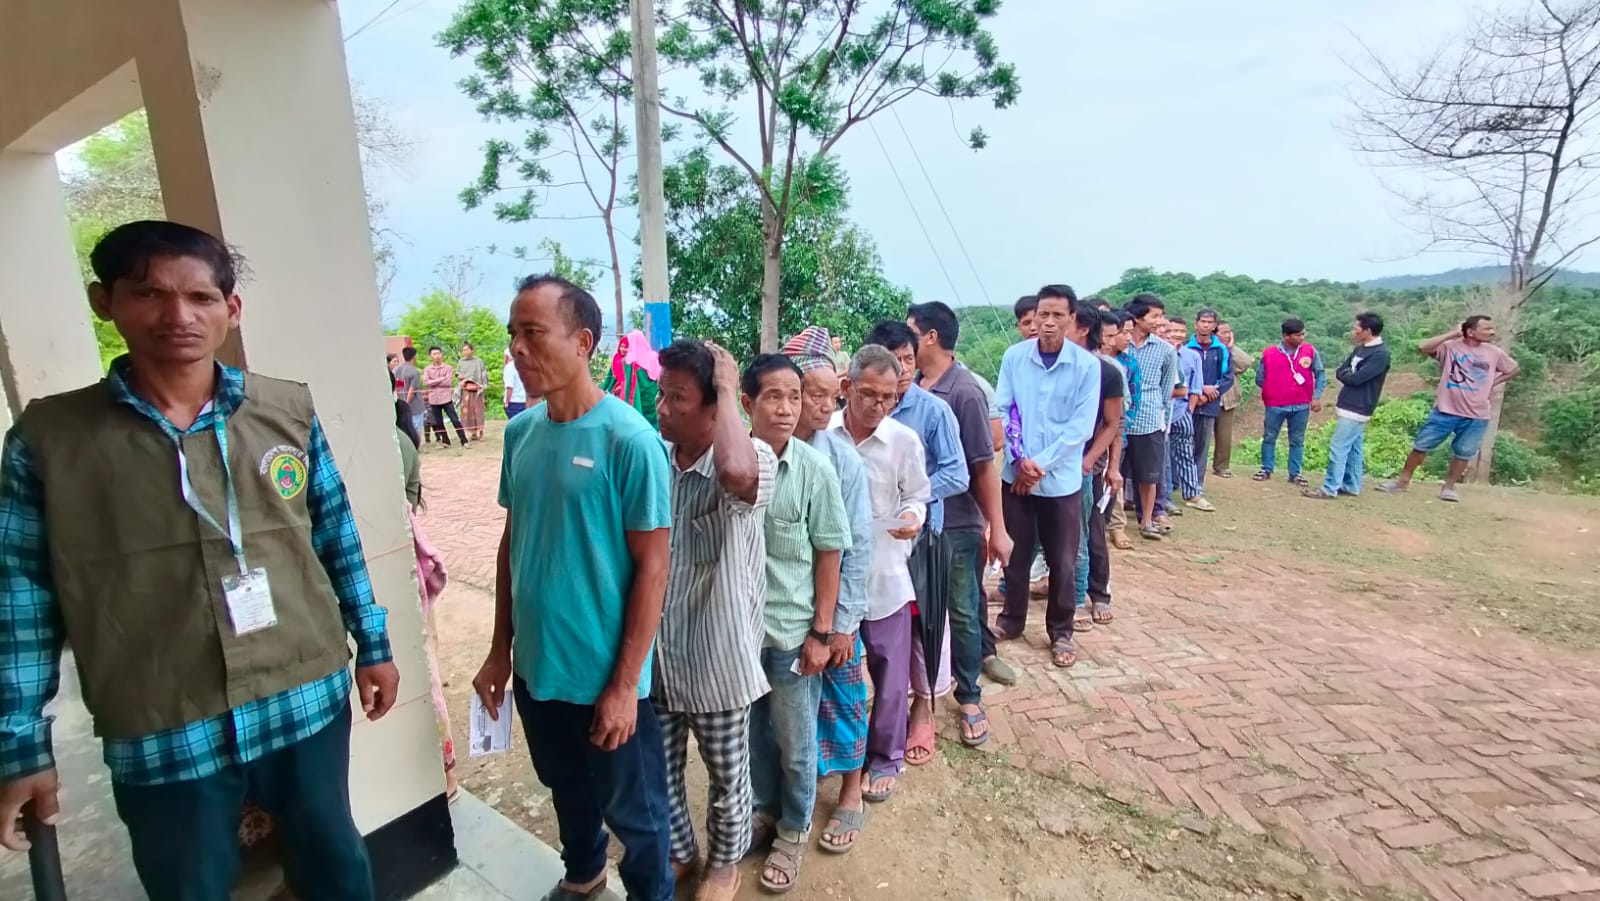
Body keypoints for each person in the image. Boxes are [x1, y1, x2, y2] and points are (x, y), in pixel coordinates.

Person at [0, 220, 399, 899]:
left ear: (230, 309)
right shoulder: (51, 440)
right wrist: (19, 740)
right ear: (107, 302)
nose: (178, 315)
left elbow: (334, 535)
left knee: (335, 868)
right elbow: (22, 601)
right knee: (188, 884)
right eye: (149, 293)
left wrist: (375, 640)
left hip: (302, 694)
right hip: (163, 719)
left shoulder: (285, 412)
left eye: (201, 297)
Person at [472, 275, 673, 901]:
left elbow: (653, 569)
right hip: (539, 669)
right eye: (513, 334)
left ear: (583, 341)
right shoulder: (520, 433)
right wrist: (500, 649)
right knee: (565, 785)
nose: (516, 349)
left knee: (636, 815)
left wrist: (621, 687)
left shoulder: (629, 440)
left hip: (605, 679)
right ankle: (584, 875)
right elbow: (515, 543)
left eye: (533, 333)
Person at [651, 340, 775, 900]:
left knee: (728, 779)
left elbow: (736, 473)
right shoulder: (653, 458)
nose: (663, 407)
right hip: (656, 659)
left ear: (712, 407)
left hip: (718, 658)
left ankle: (725, 865)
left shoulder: (753, 458)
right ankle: (681, 851)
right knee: (660, 770)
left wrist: (729, 388)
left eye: (679, 397)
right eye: (661, 394)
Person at [740, 354, 850, 893]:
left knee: (796, 741)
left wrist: (821, 634)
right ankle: (764, 812)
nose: (788, 408)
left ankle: (793, 827)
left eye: (795, 396)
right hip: (739, 636)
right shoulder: (730, 466)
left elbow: (829, 554)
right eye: (774, 397)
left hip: (791, 635)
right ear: (747, 404)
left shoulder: (815, 470)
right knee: (754, 736)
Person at [778, 327, 874, 856]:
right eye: (801, 393)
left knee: (845, 695)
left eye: (821, 394)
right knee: (795, 708)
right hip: (788, 608)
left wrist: (842, 623)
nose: (813, 404)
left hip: (833, 610)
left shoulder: (840, 459)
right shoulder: (771, 451)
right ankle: (795, 796)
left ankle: (851, 789)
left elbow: (856, 546)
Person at [906, 302, 1013, 750]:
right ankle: (922, 695)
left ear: (930, 336)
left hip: (959, 524)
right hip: (914, 526)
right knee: (919, 614)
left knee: (964, 612)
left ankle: (969, 697)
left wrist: (998, 527)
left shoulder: (964, 391)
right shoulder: (908, 386)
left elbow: (982, 466)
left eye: (912, 331)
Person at [862, 320, 966, 768]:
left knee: (924, 632)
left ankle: (923, 707)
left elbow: (957, 473)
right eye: (893, 361)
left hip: (920, 542)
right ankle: (884, 715)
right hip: (870, 549)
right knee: (887, 637)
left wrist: (909, 501)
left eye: (907, 360)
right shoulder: (850, 419)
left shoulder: (930, 413)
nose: (901, 370)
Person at [831, 346, 930, 807]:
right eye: (868, 393)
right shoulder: (822, 437)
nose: (877, 405)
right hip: (831, 582)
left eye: (888, 397)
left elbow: (917, 495)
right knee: (834, 676)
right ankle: (836, 755)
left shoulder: (904, 441)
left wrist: (911, 516)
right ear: (846, 388)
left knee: (889, 674)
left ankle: (886, 756)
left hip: (886, 575)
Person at [993, 284, 1101, 668]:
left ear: (1072, 319)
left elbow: (1080, 429)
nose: (1049, 322)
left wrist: (1039, 466)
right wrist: (1021, 461)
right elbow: (1003, 408)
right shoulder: (1014, 358)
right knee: (1015, 556)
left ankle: (1061, 631)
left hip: (1060, 483)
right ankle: (1011, 620)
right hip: (1017, 477)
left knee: (1063, 560)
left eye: (1057, 315)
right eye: (1043, 314)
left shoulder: (1087, 367)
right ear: (1033, 317)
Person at [393, 382, 458, 802]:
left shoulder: (392, 444)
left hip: (406, 574)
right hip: (411, 575)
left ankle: (445, 775)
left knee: (422, 673)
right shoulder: (399, 439)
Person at [1380, 315, 1519, 502]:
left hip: (1477, 414)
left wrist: (1494, 382)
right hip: (1445, 410)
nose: (1492, 332)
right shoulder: (1450, 348)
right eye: (1486, 329)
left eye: (1492, 328)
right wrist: (1454, 333)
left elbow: (1513, 369)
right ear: (1470, 331)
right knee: (1421, 446)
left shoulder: (1494, 353)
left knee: (1463, 452)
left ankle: (1449, 488)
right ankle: (1402, 481)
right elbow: (1423, 347)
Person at [1072, 306, 1125, 628]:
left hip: (1087, 465)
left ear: (1081, 328)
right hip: (1054, 465)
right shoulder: (1055, 368)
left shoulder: (1107, 371)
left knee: (1090, 531)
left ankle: (1098, 593)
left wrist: (1103, 463)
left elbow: (1115, 424)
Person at [1304, 312, 1391, 501]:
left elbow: (1357, 378)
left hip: (1358, 407)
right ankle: (1351, 485)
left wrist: (1348, 376)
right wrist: (1348, 376)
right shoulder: (1362, 349)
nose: (1354, 331)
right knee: (1353, 449)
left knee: (1338, 446)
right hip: (1349, 404)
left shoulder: (1380, 354)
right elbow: (1340, 371)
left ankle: (1330, 488)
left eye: (1357, 328)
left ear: (1368, 330)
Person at [1123, 294, 1179, 540]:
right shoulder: (1119, 346)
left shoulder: (1166, 351)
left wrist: (1162, 419)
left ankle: (1147, 520)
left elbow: (1166, 390)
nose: (1159, 321)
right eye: (1154, 316)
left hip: (1149, 420)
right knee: (1114, 474)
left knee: (1149, 475)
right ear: (1137, 318)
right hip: (1120, 419)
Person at [1253, 318, 1326, 486]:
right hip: (1275, 404)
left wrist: (1316, 396)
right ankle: (1266, 468)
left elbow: (1320, 373)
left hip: (1301, 404)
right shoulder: (1269, 353)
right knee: (1270, 437)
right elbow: (1260, 378)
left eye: (1303, 334)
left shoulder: (1309, 351)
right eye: (1298, 335)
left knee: (1297, 439)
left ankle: (1295, 473)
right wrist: (1274, 389)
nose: (1302, 337)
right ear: (1286, 336)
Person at [1164, 318, 1211, 514]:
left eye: (1181, 331)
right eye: (1173, 330)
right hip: (1161, 413)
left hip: (1182, 411)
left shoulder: (1192, 356)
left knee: (1186, 454)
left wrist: (1189, 411)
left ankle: (1193, 494)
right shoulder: (1161, 353)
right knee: (1162, 457)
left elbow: (1195, 388)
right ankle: (1164, 497)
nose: (1177, 334)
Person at [1105, 313, 1141, 550]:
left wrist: (1118, 425)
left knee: (1113, 476)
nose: (1128, 337)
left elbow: (1131, 401)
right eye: (1123, 333)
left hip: (1116, 431)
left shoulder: (1126, 364)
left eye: (1129, 332)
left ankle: (1116, 527)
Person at [1186, 309, 1234, 488]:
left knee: (1203, 445)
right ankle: (1178, 482)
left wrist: (1210, 393)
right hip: (1187, 403)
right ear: (1196, 323)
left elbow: (1228, 377)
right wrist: (1197, 390)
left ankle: (1196, 484)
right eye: (1202, 321)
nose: (1205, 325)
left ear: (1215, 326)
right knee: (1183, 443)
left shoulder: (1222, 350)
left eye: (1209, 322)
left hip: (1210, 404)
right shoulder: (1186, 346)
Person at [1211, 322, 1252, 478]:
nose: (1228, 335)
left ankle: (1221, 466)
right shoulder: (1209, 349)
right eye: (1224, 332)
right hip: (1206, 397)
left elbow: (1245, 363)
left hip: (1227, 397)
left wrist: (1231, 347)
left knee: (1224, 435)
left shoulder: (1229, 352)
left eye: (1230, 332)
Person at [423, 346, 470, 447]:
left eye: (439, 353)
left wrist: (434, 382)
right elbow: (426, 382)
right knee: (439, 422)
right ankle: (445, 441)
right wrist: (441, 379)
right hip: (434, 399)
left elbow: (447, 382)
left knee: (455, 420)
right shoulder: (427, 369)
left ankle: (464, 440)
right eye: (434, 354)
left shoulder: (448, 368)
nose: (437, 356)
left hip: (446, 398)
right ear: (430, 356)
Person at [457, 342, 489, 441]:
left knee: (478, 411)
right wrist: (461, 378)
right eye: (463, 350)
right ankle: (473, 432)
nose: (465, 352)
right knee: (468, 412)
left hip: (477, 390)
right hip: (466, 389)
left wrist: (482, 384)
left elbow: (483, 373)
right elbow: (458, 374)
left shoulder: (478, 361)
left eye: (467, 350)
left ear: (472, 350)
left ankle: (481, 431)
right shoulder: (461, 362)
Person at [396, 345, 426, 439]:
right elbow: (412, 390)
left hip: (400, 402)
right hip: (414, 406)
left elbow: (398, 386)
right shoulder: (414, 372)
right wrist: (407, 404)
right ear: (414, 356)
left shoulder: (396, 370)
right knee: (416, 428)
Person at [503, 348, 529, 417]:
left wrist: (507, 402)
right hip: (525, 400)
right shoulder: (525, 365)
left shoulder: (509, 368)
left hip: (514, 401)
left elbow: (509, 387)